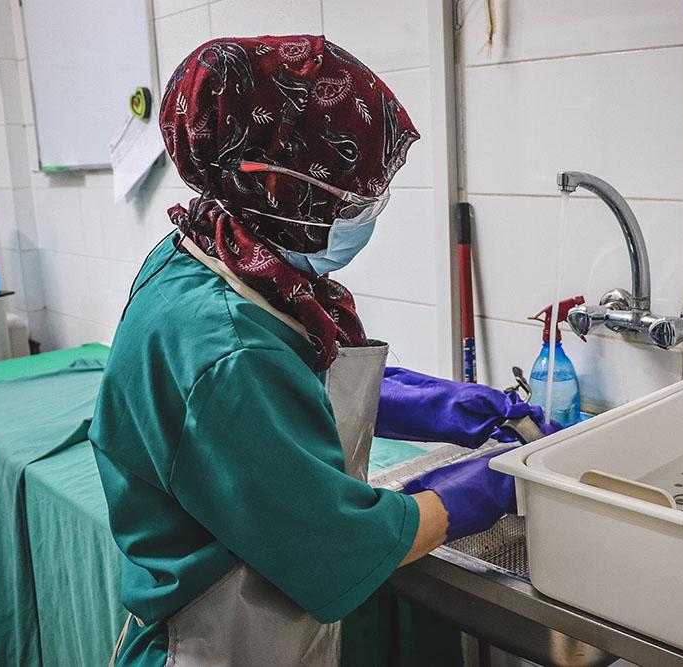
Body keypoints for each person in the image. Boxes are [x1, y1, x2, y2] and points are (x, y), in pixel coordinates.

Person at [90, 36, 544, 666]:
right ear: (279, 186)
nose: (365, 214)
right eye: (355, 198)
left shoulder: (211, 249)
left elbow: (283, 383)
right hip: (216, 640)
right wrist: (478, 489)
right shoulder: (226, 349)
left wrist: (442, 404)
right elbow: (341, 544)